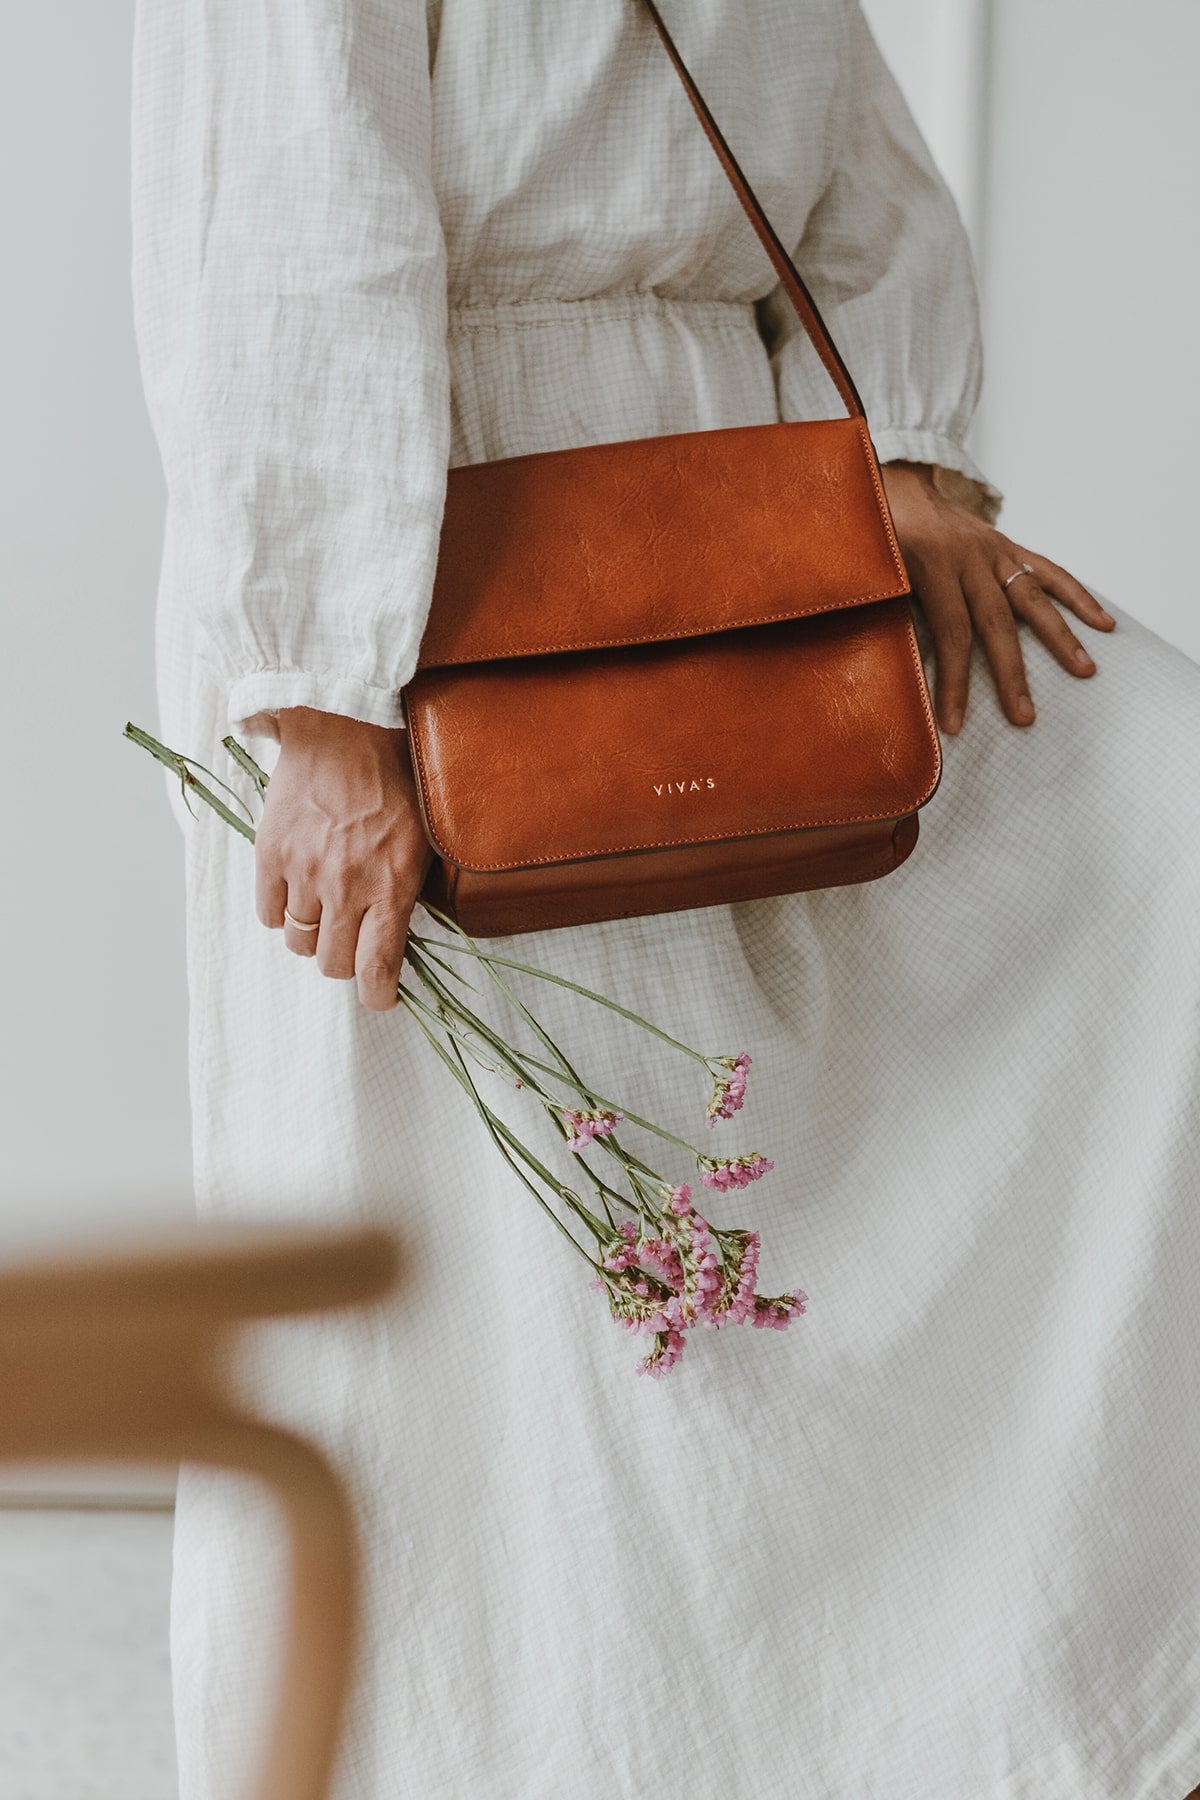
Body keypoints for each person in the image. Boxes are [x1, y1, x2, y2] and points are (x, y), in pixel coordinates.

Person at [130, 1, 1200, 1794]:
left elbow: (833, 119)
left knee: (1140, 805)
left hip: (740, 481)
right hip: (433, 547)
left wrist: (910, 454)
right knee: (520, 1289)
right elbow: (280, 186)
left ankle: (897, 1709)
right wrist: (322, 693)